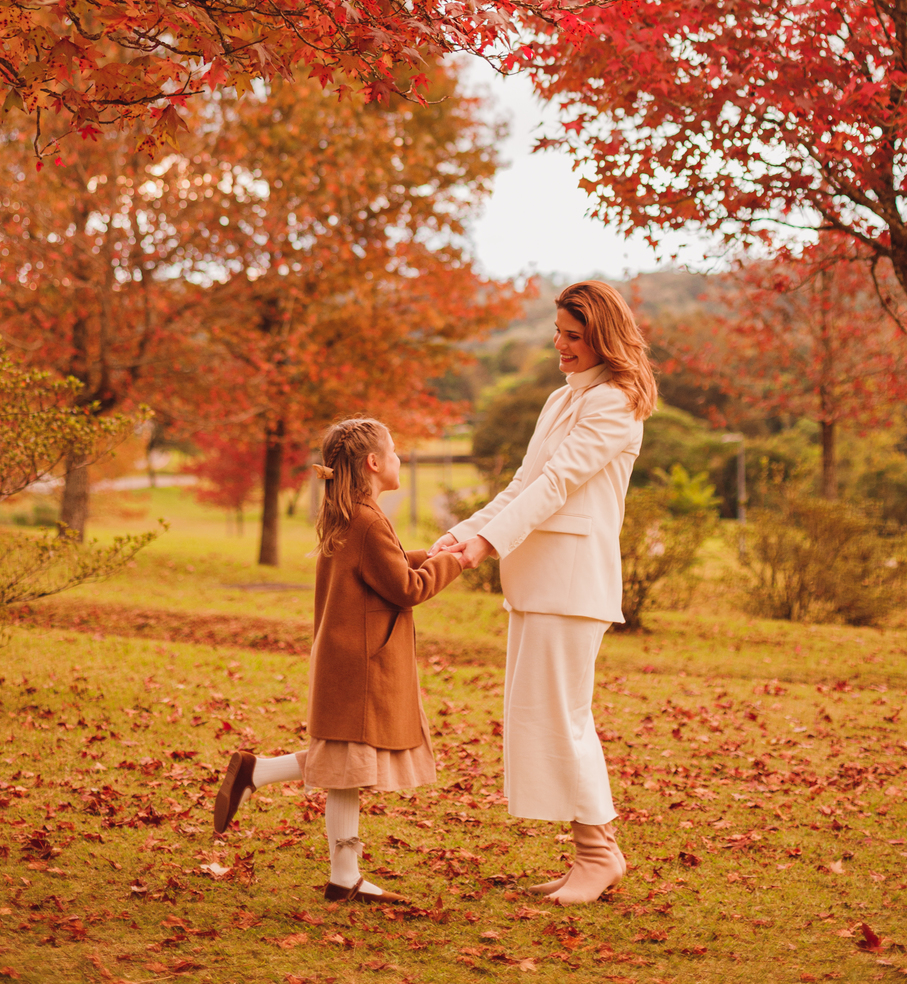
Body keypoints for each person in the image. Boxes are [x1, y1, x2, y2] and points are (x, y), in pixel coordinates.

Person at [432, 281, 655, 904]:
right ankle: (592, 853)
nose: (560, 344)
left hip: (573, 582)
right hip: (537, 583)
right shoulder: (563, 400)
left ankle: (598, 855)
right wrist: (462, 534)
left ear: (603, 337)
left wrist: (486, 545)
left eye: (574, 335)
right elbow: (524, 482)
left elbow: (557, 483)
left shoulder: (613, 403)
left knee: (564, 719)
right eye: (558, 332)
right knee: (545, 719)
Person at [211, 417, 463, 903]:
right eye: (393, 451)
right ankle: (332, 861)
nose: (398, 459)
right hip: (362, 665)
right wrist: (457, 561)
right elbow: (408, 589)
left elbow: (382, 563)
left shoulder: (353, 513)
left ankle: (335, 865)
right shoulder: (367, 519)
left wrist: (429, 551)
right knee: (349, 766)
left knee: (349, 767)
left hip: (347, 660)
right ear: (373, 463)